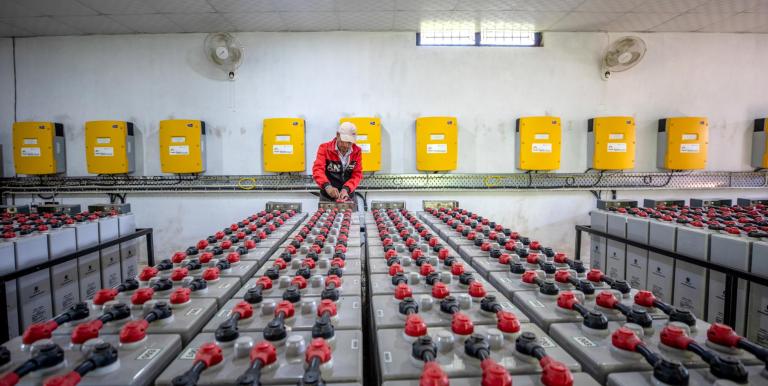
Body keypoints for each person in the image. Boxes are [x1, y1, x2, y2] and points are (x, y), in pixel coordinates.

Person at [312, 122, 363, 202]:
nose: (346, 145)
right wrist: (327, 187)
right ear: (337, 135)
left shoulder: (357, 151)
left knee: (352, 215)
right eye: (343, 141)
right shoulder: (324, 149)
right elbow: (318, 170)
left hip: (348, 196)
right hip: (327, 197)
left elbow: (357, 174)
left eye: (349, 142)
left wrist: (346, 189)